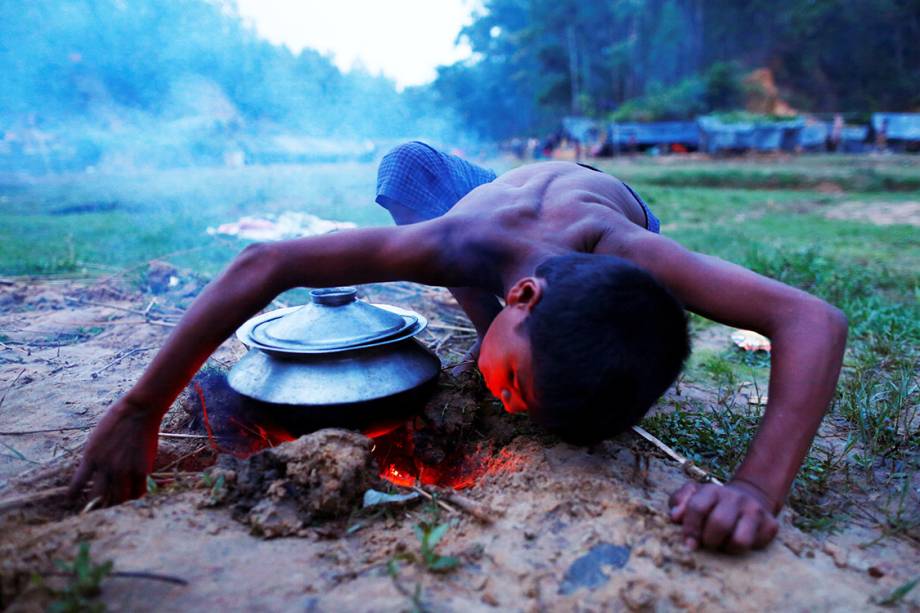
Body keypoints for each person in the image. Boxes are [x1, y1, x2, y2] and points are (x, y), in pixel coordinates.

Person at [70, 142, 848, 554]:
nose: (504, 402)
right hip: (481, 192)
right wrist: (142, 405)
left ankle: (535, 346)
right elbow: (266, 262)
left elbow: (814, 320)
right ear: (522, 296)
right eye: (513, 381)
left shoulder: (633, 253)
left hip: (594, 196)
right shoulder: (456, 242)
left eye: (514, 392)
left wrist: (754, 488)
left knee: (624, 323)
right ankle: (492, 324)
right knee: (406, 166)